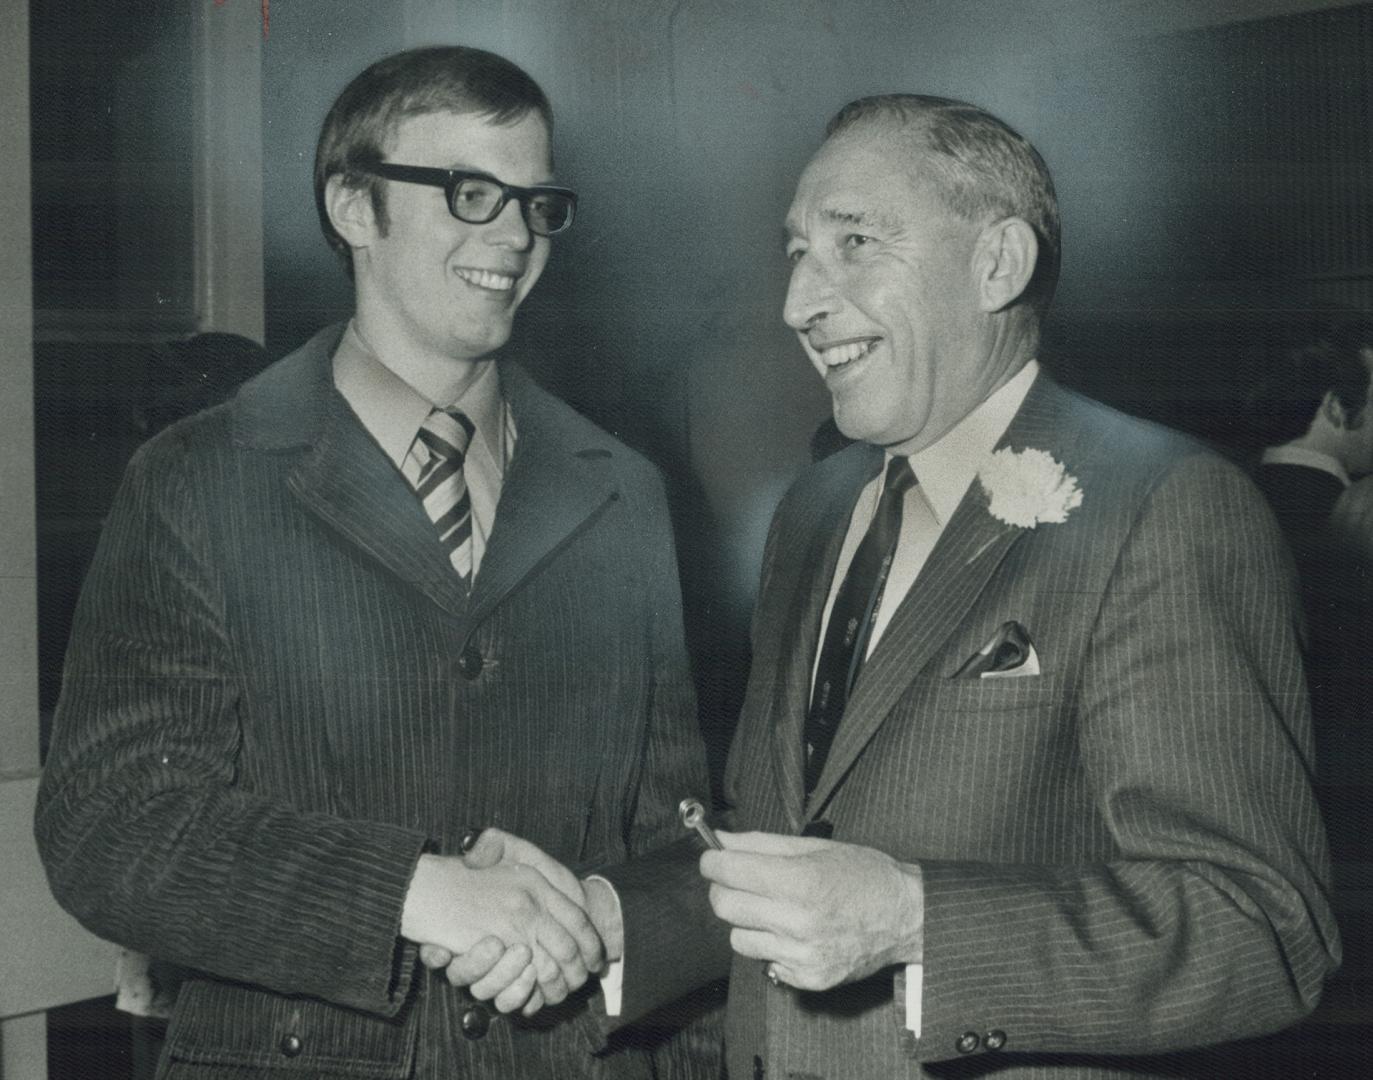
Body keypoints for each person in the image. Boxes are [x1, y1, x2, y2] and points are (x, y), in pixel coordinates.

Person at [584, 94, 1341, 1079]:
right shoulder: (814, 509)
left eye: (852, 241)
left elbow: (1261, 930)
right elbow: (785, 844)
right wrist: (610, 918)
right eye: (795, 252)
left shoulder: (1163, 507)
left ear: (996, 265)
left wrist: (916, 923)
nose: (796, 303)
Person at [35, 45, 714, 1079]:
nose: (513, 239)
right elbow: (109, 825)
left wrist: (603, 918)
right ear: (353, 206)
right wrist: (413, 891)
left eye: (535, 204)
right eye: (470, 193)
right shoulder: (197, 479)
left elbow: (680, 838)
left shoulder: (623, 491)